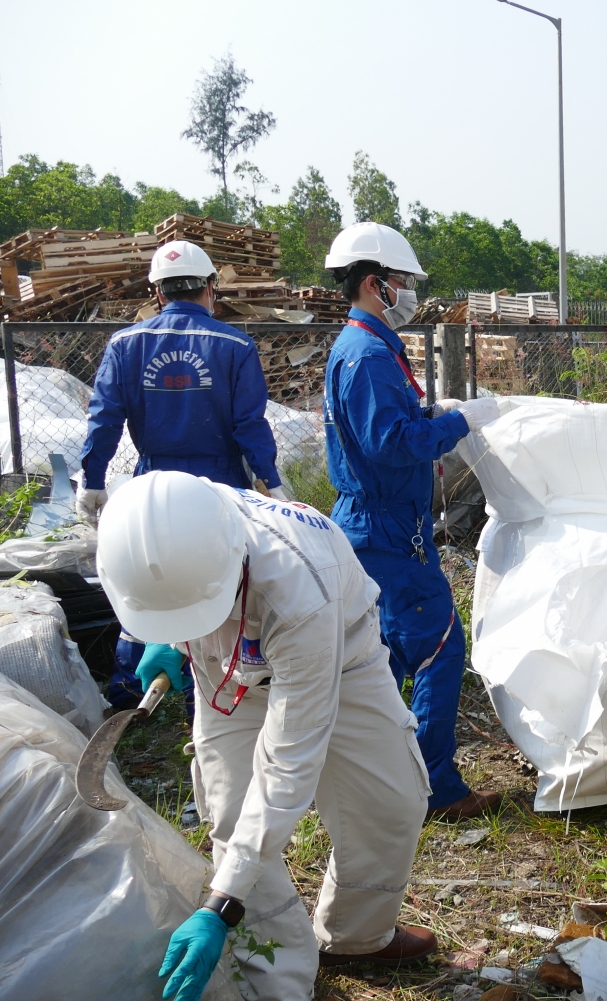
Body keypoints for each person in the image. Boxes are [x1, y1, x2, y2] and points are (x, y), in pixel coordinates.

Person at [96, 471, 437, 1000]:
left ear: (235, 559)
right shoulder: (144, 523)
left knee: (390, 803)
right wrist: (159, 632)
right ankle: (276, 981)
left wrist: (220, 903)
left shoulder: (299, 585)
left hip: (337, 659)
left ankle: (355, 937)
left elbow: (288, 764)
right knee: (233, 815)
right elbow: (145, 579)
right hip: (224, 674)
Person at [323, 222, 501, 820]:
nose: (409, 292)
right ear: (376, 284)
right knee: (441, 647)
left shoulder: (362, 347)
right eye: (402, 281)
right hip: (388, 530)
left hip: (378, 522)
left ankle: (375, 772)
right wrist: (458, 423)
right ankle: (435, 791)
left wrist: (434, 424)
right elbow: (391, 443)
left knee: (387, 657)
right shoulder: (369, 356)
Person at [77, 240, 283, 526]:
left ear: (159, 292)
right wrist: (271, 483)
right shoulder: (236, 345)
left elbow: (105, 418)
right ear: (211, 287)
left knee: (158, 559)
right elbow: (249, 423)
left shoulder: (124, 344)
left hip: (154, 485)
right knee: (225, 563)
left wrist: (93, 480)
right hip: (222, 485)